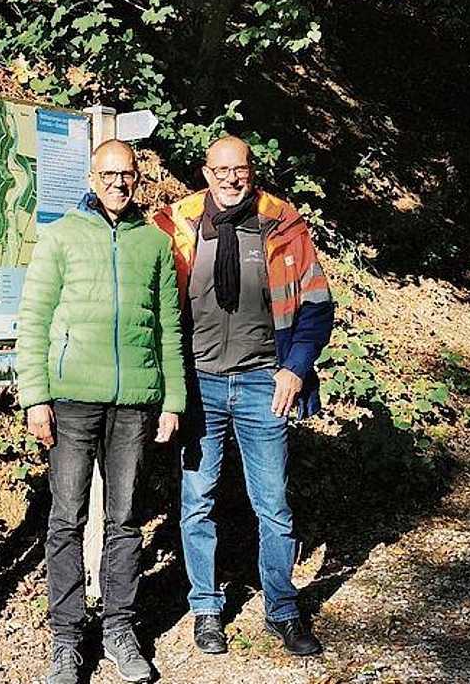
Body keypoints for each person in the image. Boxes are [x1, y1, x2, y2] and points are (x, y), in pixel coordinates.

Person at [153, 135, 333, 657]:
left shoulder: (282, 224)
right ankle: (206, 609)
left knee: (273, 505)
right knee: (196, 502)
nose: (233, 178)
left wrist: (295, 369)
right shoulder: (177, 226)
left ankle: (282, 609)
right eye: (222, 169)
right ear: (206, 173)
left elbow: (317, 305)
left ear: (252, 171)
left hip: (263, 383)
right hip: (198, 384)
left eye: (242, 169)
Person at [17, 139, 186, 684]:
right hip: (70, 399)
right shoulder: (61, 236)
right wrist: (34, 396)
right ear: (91, 178)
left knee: (125, 520)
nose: (118, 183)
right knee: (66, 518)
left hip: (135, 401)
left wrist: (173, 401)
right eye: (108, 174)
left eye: (127, 175)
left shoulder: (155, 245)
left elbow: (169, 330)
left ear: (139, 180)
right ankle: (66, 639)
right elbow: (34, 320)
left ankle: (119, 628)